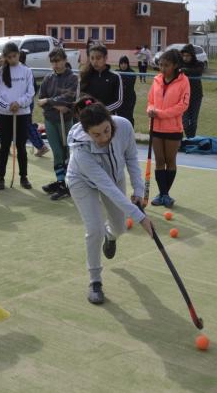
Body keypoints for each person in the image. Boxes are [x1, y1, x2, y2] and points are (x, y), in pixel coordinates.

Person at [66, 97, 155, 304]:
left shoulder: (123, 126)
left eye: (106, 130)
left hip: (114, 175)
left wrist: (139, 190)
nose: (103, 137)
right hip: (82, 181)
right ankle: (95, 281)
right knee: (94, 229)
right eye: (95, 134)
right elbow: (107, 188)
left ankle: (111, 235)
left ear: (111, 120)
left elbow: (131, 157)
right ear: (87, 132)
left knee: (120, 227)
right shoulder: (81, 151)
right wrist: (141, 218)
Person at [147, 49, 191, 208]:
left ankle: (165, 194)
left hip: (173, 128)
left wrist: (161, 113)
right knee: (159, 161)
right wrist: (150, 110)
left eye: (166, 65)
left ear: (175, 65)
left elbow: (183, 105)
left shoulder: (184, 81)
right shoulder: (156, 80)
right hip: (156, 127)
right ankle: (162, 194)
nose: (162, 68)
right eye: (160, 65)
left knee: (170, 161)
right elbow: (150, 100)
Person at [0, 42, 35, 189]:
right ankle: (1, 177)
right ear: (5, 57)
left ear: (19, 54)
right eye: (9, 57)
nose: (12, 59)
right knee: (4, 146)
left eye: (15, 56)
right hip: (4, 115)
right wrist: (8, 106)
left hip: (22, 114)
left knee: (21, 146)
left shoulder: (26, 71)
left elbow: (31, 93)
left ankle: (24, 177)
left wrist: (20, 103)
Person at [38, 48, 79, 200]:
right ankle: (60, 182)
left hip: (67, 121)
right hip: (50, 120)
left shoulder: (72, 78)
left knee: (68, 152)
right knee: (57, 153)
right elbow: (41, 99)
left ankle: (69, 184)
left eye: (58, 61)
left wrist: (50, 101)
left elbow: (69, 97)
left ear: (64, 60)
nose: (55, 64)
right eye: (53, 62)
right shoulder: (48, 78)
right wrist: (54, 104)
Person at [80, 44, 123, 113]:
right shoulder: (85, 75)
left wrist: (103, 110)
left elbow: (119, 101)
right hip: (89, 117)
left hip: (108, 118)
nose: (95, 61)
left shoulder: (115, 76)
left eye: (98, 58)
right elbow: (80, 96)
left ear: (105, 58)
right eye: (92, 58)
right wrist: (89, 108)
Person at [180, 44, 205, 139]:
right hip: (183, 96)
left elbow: (198, 71)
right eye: (184, 55)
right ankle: (189, 139)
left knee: (193, 120)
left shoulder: (199, 64)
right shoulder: (179, 64)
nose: (185, 58)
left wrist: (184, 70)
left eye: (188, 56)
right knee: (185, 120)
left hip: (196, 95)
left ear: (192, 55)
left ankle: (191, 139)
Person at [116, 55, 138, 127]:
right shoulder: (116, 72)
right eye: (121, 63)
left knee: (129, 116)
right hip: (119, 98)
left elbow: (129, 83)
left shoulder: (132, 72)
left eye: (125, 63)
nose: (123, 65)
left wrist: (120, 78)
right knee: (119, 116)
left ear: (128, 64)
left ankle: (131, 132)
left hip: (129, 98)